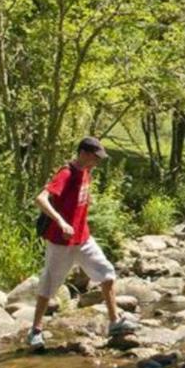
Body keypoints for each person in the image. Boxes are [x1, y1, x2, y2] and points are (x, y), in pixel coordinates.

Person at [29, 137, 132, 348]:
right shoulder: (66, 173)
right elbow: (40, 198)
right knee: (49, 285)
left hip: (83, 239)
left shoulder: (86, 172)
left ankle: (114, 322)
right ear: (84, 153)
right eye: (95, 157)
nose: (98, 162)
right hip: (61, 242)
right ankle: (35, 331)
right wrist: (61, 222)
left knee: (107, 273)